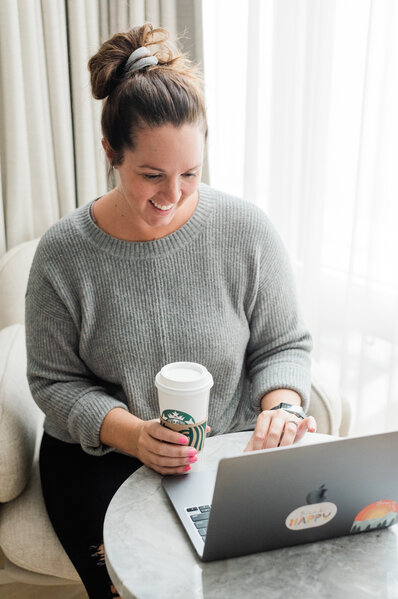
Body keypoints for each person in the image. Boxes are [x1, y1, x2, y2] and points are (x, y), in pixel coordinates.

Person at [25, 23, 316, 599]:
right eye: (151, 175)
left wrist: (281, 406)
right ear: (111, 153)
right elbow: (53, 382)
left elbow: (283, 345)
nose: (173, 195)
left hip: (225, 449)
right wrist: (135, 436)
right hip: (101, 456)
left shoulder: (246, 231)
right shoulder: (64, 254)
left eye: (190, 174)